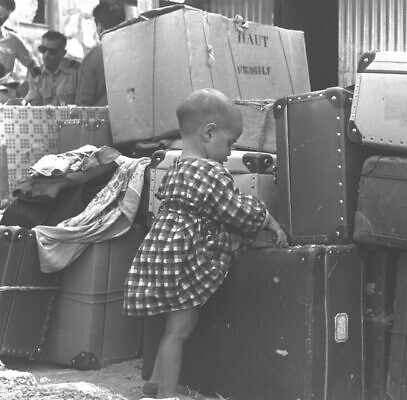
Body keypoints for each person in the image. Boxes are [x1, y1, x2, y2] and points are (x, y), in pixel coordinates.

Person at [123, 88, 288, 400]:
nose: (230, 151)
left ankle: (154, 384)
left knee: (173, 325)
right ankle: (167, 395)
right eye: (229, 143)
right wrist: (267, 218)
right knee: (180, 329)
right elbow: (235, 208)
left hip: (161, 254)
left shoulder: (176, 169)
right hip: (182, 258)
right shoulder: (211, 172)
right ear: (209, 134)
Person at [75, 1, 125, 106]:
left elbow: (84, 104)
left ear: (100, 27)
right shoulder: (137, 50)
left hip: (104, 121)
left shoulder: (93, 57)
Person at [24, 30, 80, 106]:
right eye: (43, 49)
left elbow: (83, 103)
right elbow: (35, 105)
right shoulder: (35, 74)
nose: (46, 55)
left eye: (52, 51)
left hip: (69, 117)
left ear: (63, 53)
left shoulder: (76, 72)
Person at [0, 0, 39, 86]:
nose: (1, 20)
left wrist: (29, 87)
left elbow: (33, 65)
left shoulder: (12, 40)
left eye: (4, 18)